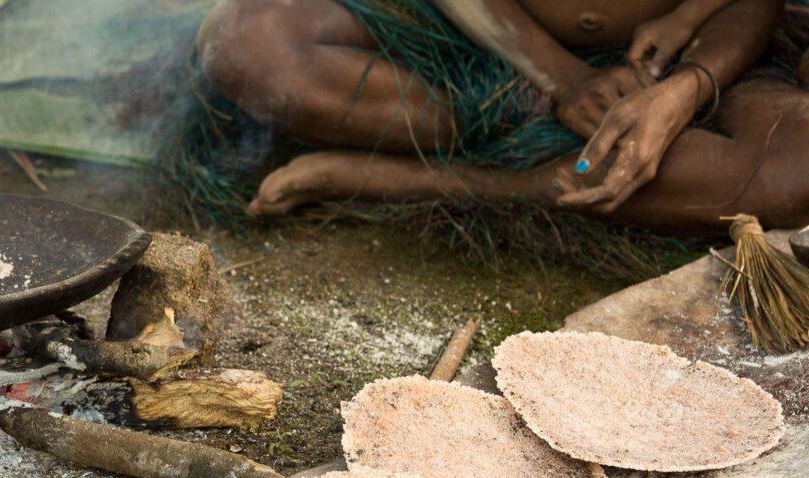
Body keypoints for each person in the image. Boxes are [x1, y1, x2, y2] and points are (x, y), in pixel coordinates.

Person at [195, 0, 809, 237]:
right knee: (245, 40)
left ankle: (402, 179)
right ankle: (504, 121)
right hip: (471, 37)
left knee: (795, 173)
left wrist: (683, 90)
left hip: (672, 57)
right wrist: (560, 78)